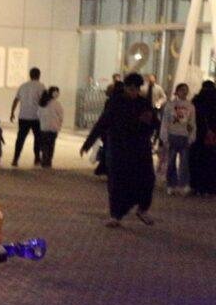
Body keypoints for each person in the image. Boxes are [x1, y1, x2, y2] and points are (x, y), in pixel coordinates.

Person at [80, 73, 156, 227]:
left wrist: (149, 123)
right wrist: (88, 144)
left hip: (140, 148)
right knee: (118, 182)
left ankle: (142, 208)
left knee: (147, 179)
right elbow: (102, 123)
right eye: (131, 88)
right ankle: (116, 215)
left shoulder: (144, 103)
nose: (133, 92)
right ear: (126, 88)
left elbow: (154, 123)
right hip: (119, 148)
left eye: (136, 89)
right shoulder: (116, 103)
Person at [160, 83, 195, 194]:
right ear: (177, 91)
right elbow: (165, 121)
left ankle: (183, 184)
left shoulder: (190, 106)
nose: (185, 92)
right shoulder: (170, 105)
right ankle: (171, 184)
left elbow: (192, 123)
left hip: (184, 135)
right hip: (172, 135)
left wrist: (191, 136)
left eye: (186, 90)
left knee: (184, 162)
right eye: (182, 90)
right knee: (171, 161)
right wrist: (164, 136)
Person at [9, 67, 46, 167]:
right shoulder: (41, 87)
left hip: (23, 116)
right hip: (36, 117)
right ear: (39, 75)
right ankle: (37, 159)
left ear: (30, 75)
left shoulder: (23, 86)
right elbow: (44, 101)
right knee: (38, 138)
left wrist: (12, 113)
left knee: (20, 138)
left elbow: (16, 100)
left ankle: (15, 159)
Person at [190, 80, 216, 195]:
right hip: (213, 135)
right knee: (211, 161)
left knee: (197, 160)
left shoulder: (196, 101)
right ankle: (210, 186)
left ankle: (197, 185)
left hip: (199, 135)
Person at [37, 86, 63, 168]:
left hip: (44, 127)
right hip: (54, 128)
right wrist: (59, 125)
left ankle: (44, 160)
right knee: (51, 145)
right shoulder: (57, 104)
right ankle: (48, 161)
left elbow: (38, 115)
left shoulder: (42, 103)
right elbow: (61, 116)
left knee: (44, 145)